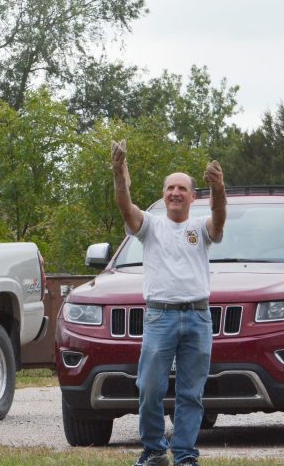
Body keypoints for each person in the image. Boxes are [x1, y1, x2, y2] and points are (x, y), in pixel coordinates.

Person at [111, 139, 227, 466]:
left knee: (191, 395)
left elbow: (218, 221)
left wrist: (219, 189)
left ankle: (186, 456)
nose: (175, 192)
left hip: (198, 317)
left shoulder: (200, 228)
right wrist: (119, 172)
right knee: (149, 388)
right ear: (163, 194)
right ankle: (155, 449)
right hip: (160, 317)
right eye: (170, 188)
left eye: (182, 188)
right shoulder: (150, 226)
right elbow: (124, 206)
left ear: (192, 196)